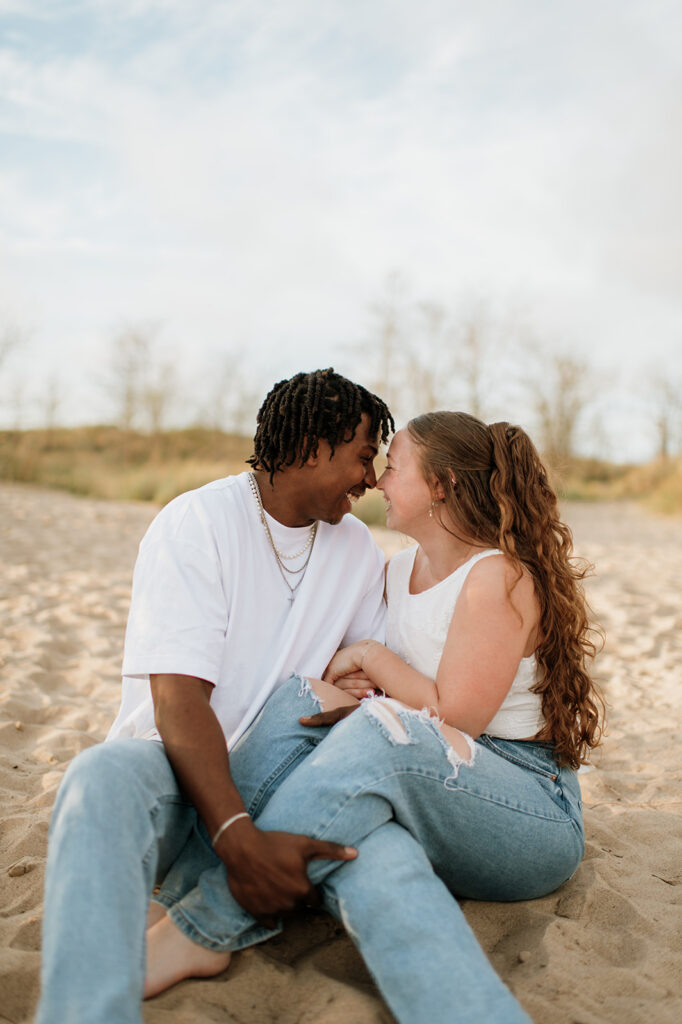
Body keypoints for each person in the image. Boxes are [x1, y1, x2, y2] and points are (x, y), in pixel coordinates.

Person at [142, 411, 604, 1024]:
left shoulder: (496, 577)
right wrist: (352, 678)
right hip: (435, 780)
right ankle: (175, 901)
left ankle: (201, 926)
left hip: (527, 803)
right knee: (302, 702)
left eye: (394, 467)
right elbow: (388, 696)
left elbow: (454, 716)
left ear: (440, 486)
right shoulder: (394, 572)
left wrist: (370, 658)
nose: (380, 481)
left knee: (382, 733)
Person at [35, 368, 395, 1024]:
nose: (371, 479)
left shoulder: (359, 552)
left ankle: (181, 916)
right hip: (173, 776)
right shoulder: (197, 522)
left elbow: (363, 696)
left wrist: (345, 675)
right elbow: (178, 699)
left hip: (282, 787)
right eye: (364, 456)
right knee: (97, 775)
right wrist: (234, 834)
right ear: (314, 446)